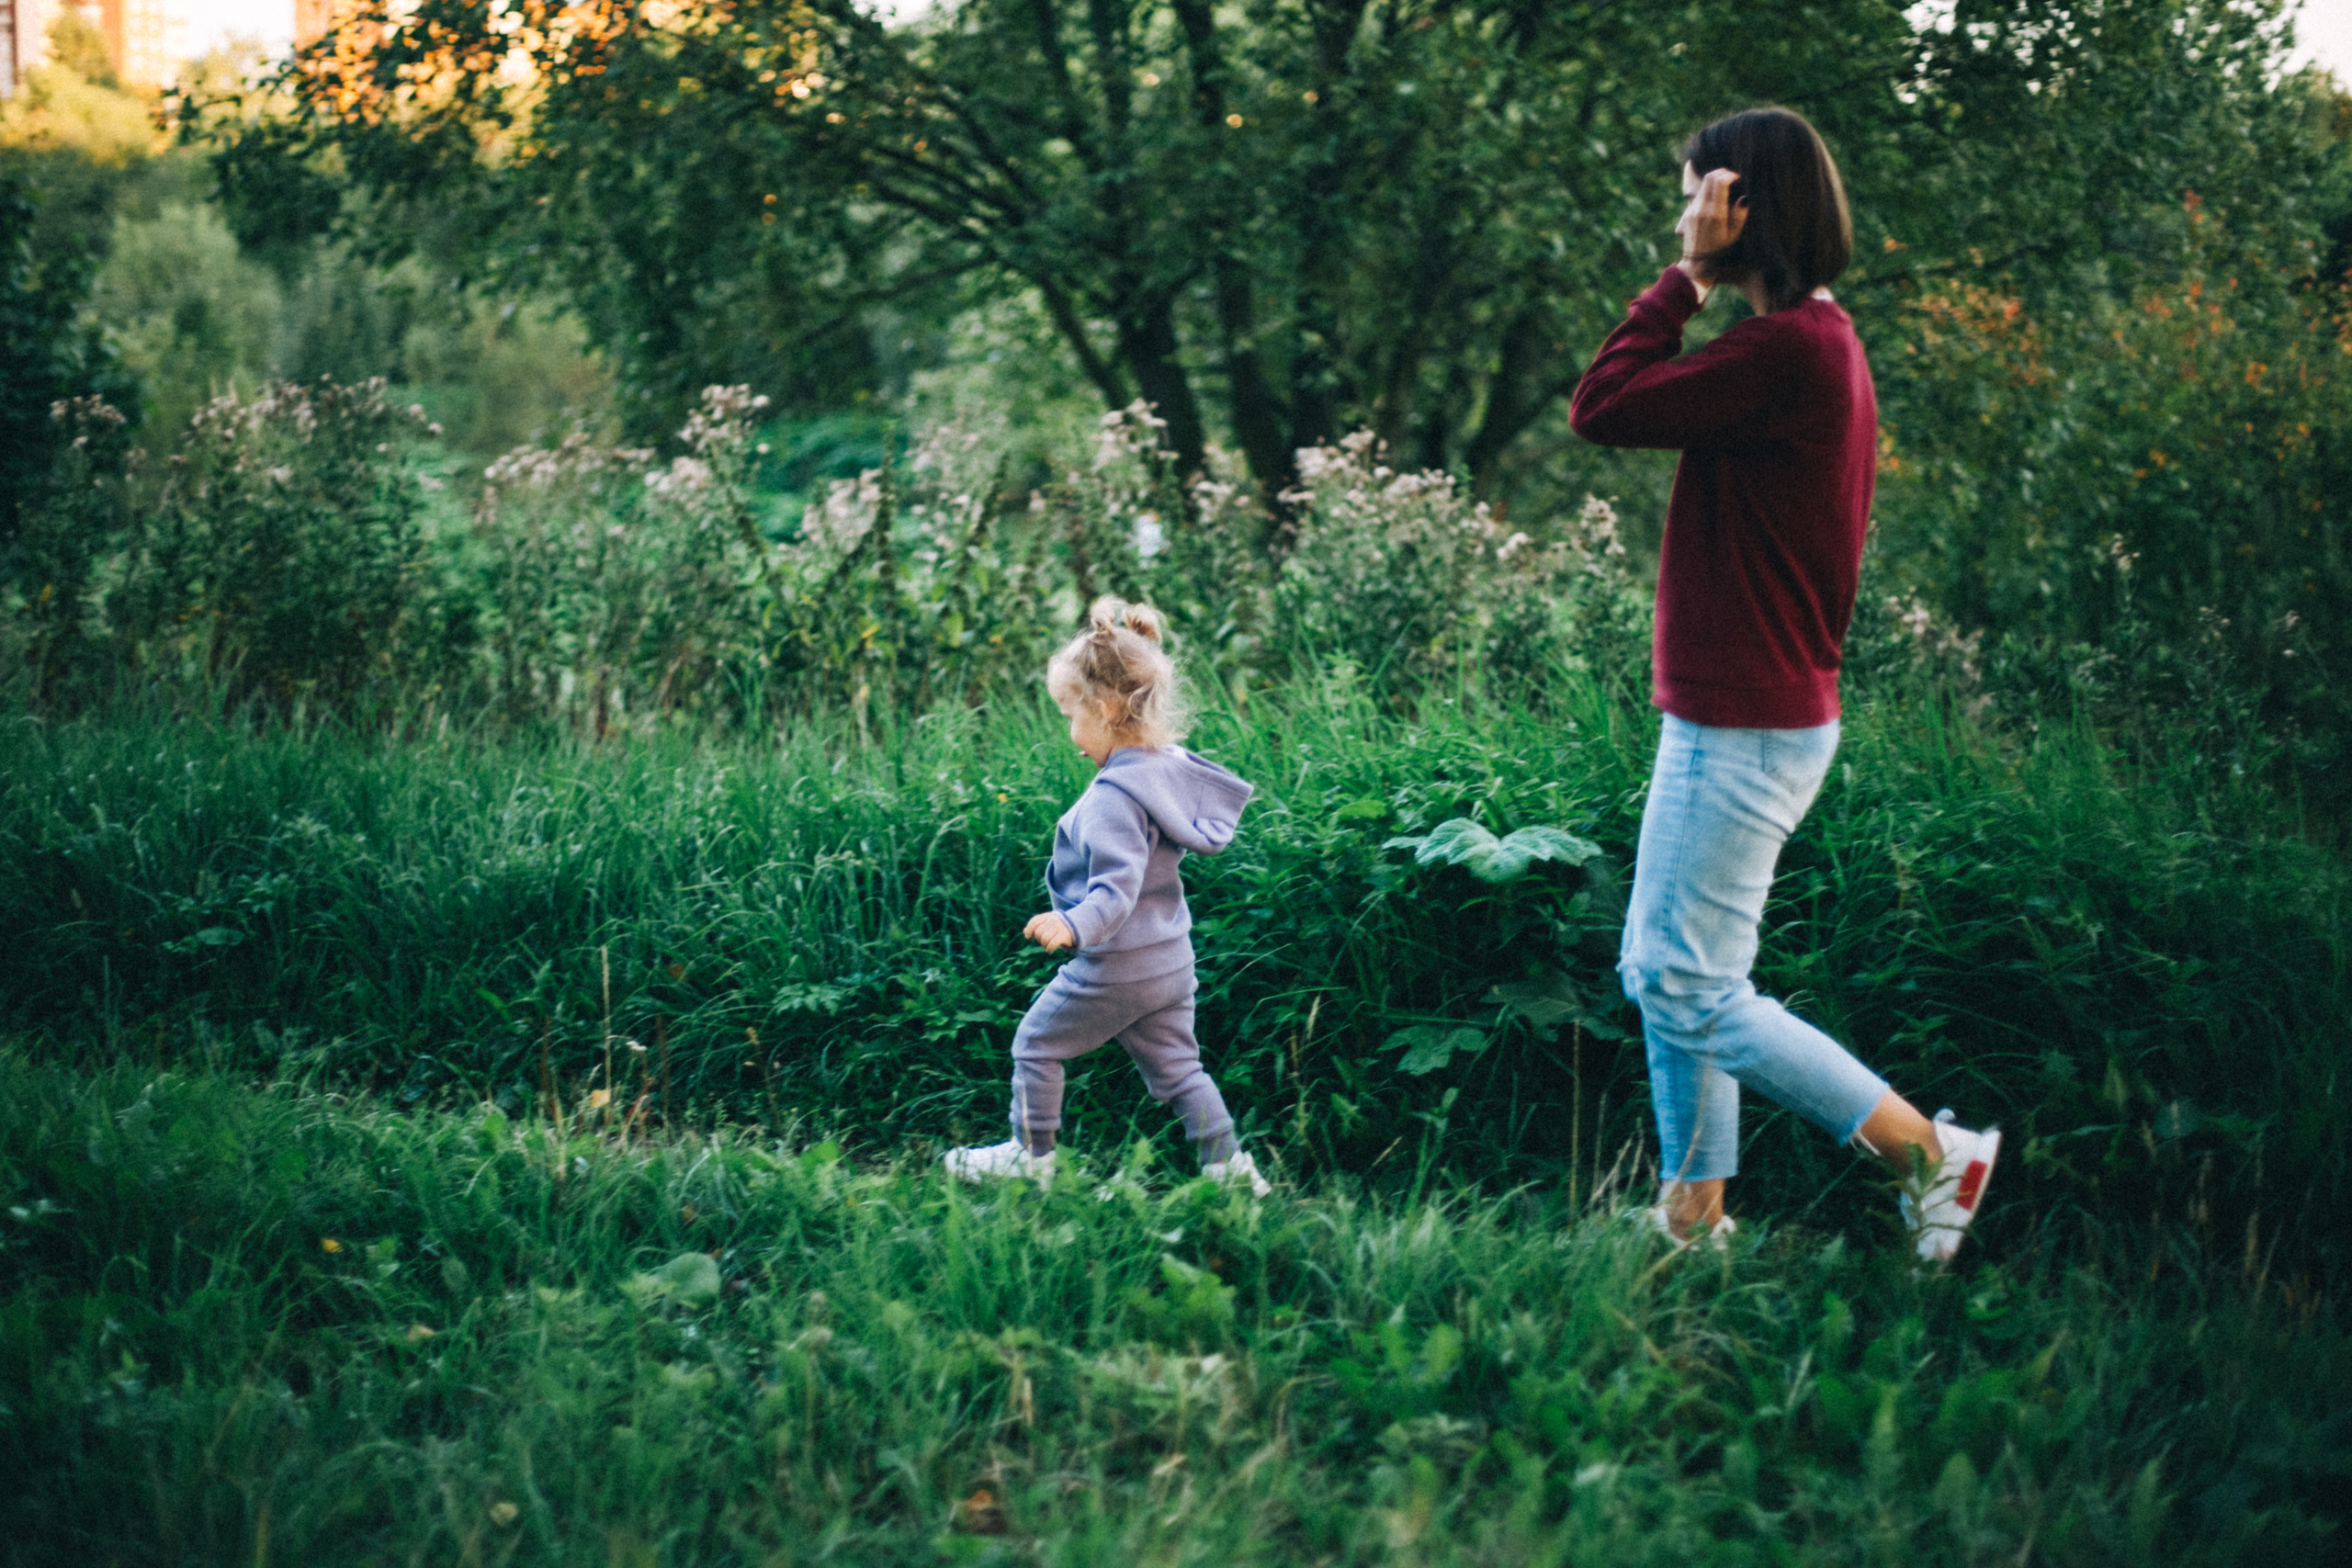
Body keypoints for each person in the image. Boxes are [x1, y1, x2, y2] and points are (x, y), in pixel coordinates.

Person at [1568, 107, 1996, 1263]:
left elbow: (1599, 406)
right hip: (1744, 713)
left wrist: (1682, 278)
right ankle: (1691, 1219)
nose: (1681, 213)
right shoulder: (1816, 340)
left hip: (1744, 722)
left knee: (1685, 982)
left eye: (1693, 194)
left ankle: (1930, 1156)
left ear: (1737, 206)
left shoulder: (1783, 351)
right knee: (1673, 977)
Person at [943, 595, 1271, 1195]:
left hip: (1115, 966)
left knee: (1037, 1045)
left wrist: (1074, 925)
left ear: (1107, 706)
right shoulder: (1162, 768)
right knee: (1181, 1072)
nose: (1071, 730)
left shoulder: (1116, 798)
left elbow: (1115, 890)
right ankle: (1231, 1174)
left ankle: (1030, 1155)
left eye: (1072, 713)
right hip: (1169, 963)